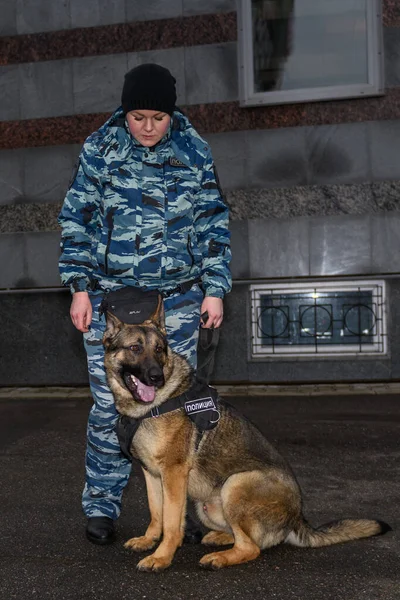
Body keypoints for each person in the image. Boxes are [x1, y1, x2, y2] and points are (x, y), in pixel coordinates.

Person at [58, 63, 232, 545]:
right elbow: (77, 221)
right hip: (109, 298)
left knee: (181, 408)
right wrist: (78, 287)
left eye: (158, 116)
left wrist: (215, 287)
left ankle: (192, 509)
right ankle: (102, 508)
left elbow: (213, 222)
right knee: (109, 410)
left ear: (172, 114)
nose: (148, 127)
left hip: (177, 298)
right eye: (138, 116)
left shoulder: (194, 152)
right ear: (125, 112)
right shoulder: (100, 149)